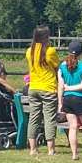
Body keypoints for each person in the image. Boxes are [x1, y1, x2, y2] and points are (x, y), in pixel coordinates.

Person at [26, 26, 60, 156]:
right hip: (48, 87)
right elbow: (56, 66)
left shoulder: (29, 51)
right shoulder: (50, 51)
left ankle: (32, 149)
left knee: (33, 118)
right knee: (49, 118)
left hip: (33, 87)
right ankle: (51, 149)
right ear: (46, 37)